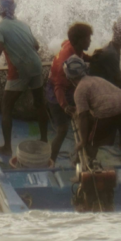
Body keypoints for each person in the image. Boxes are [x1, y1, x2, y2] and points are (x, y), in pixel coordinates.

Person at [0, 0, 48, 156]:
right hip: (36, 66)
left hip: (20, 70)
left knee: (6, 106)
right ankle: (44, 140)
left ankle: (7, 147)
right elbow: (36, 46)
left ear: (0, 10)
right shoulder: (23, 25)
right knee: (40, 103)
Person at [64, 54, 121, 182]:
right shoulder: (97, 79)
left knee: (91, 143)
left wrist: (82, 141)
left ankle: (85, 174)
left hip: (108, 112)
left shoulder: (80, 90)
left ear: (69, 77)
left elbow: (83, 117)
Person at [45, 22, 93, 162]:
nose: (90, 41)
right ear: (78, 41)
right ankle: (51, 160)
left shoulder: (71, 45)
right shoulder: (64, 65)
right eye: (87, 38)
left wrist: (91, 58)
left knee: (83, 120)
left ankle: (80, 157)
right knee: (63, 129)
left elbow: (65, 43)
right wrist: (65, 106)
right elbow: (58, 87)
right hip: (56, 93)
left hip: (69, 86)